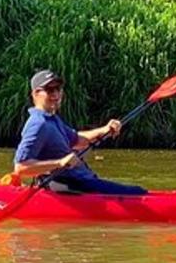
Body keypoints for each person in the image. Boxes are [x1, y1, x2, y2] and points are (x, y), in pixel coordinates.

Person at [13, 69, 147, 196]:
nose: (56, 95)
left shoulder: (52, 119)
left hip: (81, 181)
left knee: (138, 191)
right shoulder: (38, 124)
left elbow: (77, 140)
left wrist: (105, 129)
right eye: (50, 90)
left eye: (58, 89)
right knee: (138, 193)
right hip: (71, 184)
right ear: (36, 94)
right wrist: (59, 163)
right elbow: (21, 167)